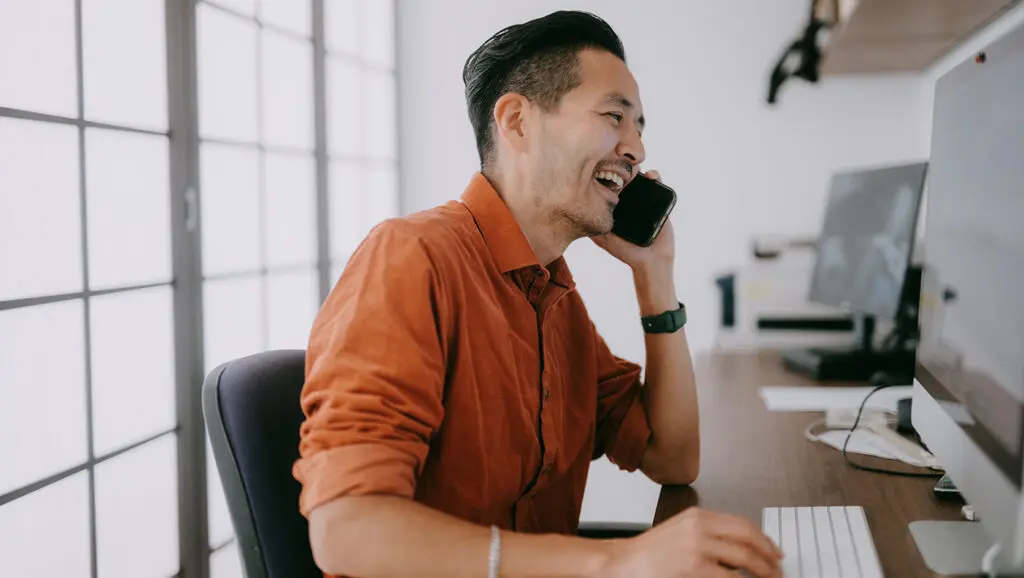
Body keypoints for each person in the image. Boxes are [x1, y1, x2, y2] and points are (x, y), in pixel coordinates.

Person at [293, 10, 782, 578]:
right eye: (614, 117)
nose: (637, 150)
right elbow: (348, 532)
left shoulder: (553, 299)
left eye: (640, 127)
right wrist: (614, 561)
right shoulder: (412, 258)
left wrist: (655, 278)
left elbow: (673, 458)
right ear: (518, 121)